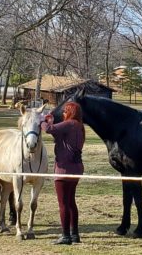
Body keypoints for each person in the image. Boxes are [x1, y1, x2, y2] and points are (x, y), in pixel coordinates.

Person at [41, 102, 85, 245]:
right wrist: (52, 123)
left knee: (63, 204)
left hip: (65, 168)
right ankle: (75, 234)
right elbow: (60, 137)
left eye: (66, 111)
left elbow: (48, 129)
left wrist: (42, 120)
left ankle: (65, 236)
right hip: (77, 168)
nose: (64, 114)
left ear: (71, 112)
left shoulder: (70, 124)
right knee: (71, 202)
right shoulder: (79, 126)